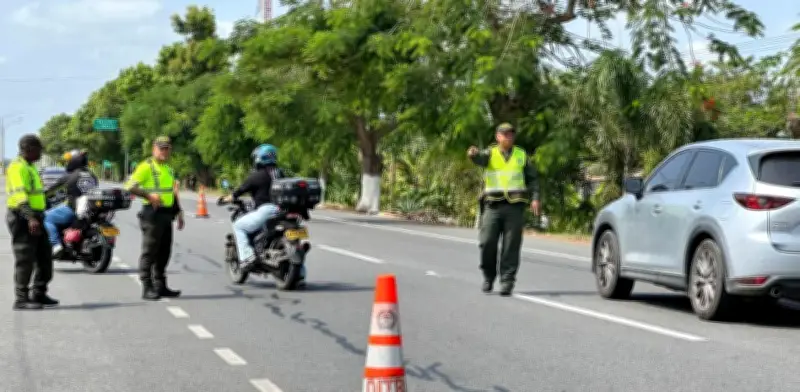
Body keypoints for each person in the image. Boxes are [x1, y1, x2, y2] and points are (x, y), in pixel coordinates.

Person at [468, 123, 541, 296]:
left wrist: (536, 198)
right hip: (493, 206)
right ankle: (488, 276)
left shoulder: (521, 155)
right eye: (505, 134)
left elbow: (533, 179)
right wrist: (473, 154)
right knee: (487, 242)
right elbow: (479, 158)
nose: (508, 137)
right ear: (497, 137)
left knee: (511, 246)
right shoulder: (490, 153)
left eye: (511, 134)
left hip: (514, 207)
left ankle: (507, 281)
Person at [221, 144, 307, 284]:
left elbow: (239, 191)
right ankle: (301, 272)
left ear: (260, 158)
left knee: (238, 226)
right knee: (295, 241)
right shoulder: (280, 174)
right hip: (284, 210)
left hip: (266, 210)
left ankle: (247, 257)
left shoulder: (257, 176)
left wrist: (227, 198)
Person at [124, 136, 185, 300]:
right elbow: (130, 186)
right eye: (161, 148)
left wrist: (179, 213)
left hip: (166, 214)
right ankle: (147, 286)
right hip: (152, 214)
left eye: (167, 148)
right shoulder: (146, 167)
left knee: (164, 252)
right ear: (154, 149)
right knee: (150, 251)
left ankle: (161, 285)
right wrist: (148, 195)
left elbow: (172, 192)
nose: (164, 151)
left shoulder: (168, 169)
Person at [5, 134, 59, 310]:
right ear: (28, 149)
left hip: (36, 216)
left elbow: (36, 194)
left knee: (45, 256)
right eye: (38, 149)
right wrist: (30, 218)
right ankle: (21, 298)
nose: (41, 153)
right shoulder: (17, 167)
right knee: (25, 258)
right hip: (23, 217)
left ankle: (39, 292)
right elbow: (20, 197)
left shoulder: (30, 167)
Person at [43, 149, 99, 256]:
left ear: (74, 161)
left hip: (72, 210)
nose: (67, 163)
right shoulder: (92, 176)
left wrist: (41, 195)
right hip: (90, 211)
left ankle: (56, 245)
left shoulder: (70, 176)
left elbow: (50, 190)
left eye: (69, 161)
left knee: (47, 218)